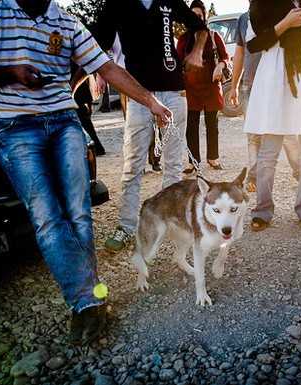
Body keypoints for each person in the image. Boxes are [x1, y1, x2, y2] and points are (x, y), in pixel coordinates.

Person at [0, 0, 171, 344]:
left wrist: (150, 101)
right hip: (16, 128)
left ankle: (87, 300)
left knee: (79, 216)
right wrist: (12, 73)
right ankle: (88, 299)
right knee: (47, 219)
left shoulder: (66, 22)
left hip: (65, 122)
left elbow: (107, 67)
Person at [95, 0, 209, 252]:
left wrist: (197, 52)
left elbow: (200, 27)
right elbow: (93, 47)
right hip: (137, 94)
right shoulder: (116, 3)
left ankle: (172, 223)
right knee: (133, 164)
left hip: (173, 91)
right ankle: (126, 226)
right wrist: (82, 81)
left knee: (173, 165)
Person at [245, 0, 301, 231]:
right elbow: (253, 43)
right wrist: (285, 24)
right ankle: (263, 210)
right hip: (275, 70)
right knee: (269, 149)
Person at [229, 0, 300, 193]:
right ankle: (254, 177)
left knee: (287, 133)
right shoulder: (243, 20)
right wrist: (234, 86)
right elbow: (239, 53)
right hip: (250, 85)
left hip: (276, 83)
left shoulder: (282, 10)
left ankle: (300, 171)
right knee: (254, 136)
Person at [177, 0, 229, 174]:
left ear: (204, 16)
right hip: (190, 89)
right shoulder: (183, 39)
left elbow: (225, 57)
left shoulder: (214, 35)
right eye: (193, 16)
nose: (197, 19)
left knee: (212, 124)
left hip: (211, 86)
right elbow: (177, 65)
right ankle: (193, 161)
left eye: (199, 15)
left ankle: (213, 158)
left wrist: (220, 66)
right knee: (190, 125)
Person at [73, 72, 106, 156]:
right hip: (79, 96)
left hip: (78, 96)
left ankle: (96, 148)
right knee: (85, 123)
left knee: (85, 123)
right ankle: (96, 148)